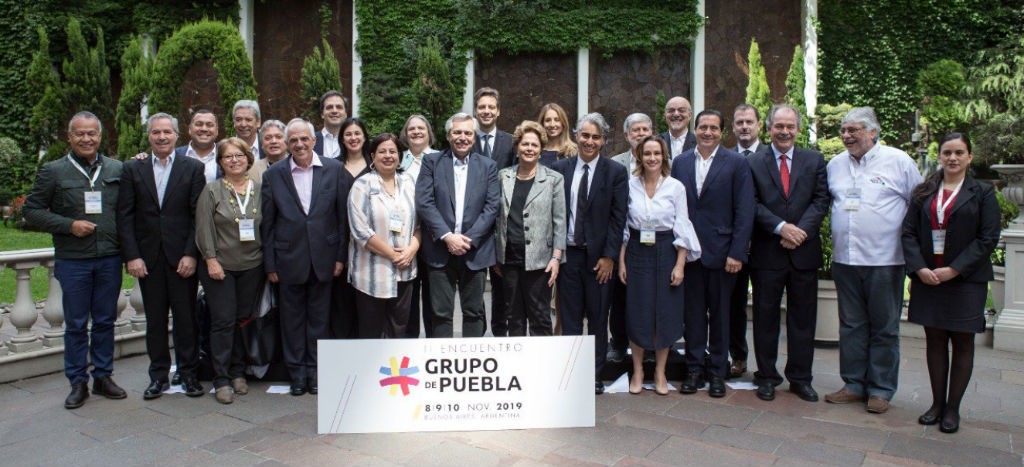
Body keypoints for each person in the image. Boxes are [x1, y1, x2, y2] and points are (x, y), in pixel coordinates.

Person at [24, 111, 127, 409]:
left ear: (100, 136)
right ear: (69, 137)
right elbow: (32, 211)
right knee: (76, 324)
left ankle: (103, 376)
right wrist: (69, 225)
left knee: (106, 320)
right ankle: (77, 381)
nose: (86, 139)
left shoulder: (116, 168)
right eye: (80, 133)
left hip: (109, 257)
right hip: (74, 260)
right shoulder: (53, 171)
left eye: (92, 133)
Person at [824, 106, 923, 413]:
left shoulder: (898, 161)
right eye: (843, 130)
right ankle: (854, 384)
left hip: (886, 260)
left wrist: (917, 258)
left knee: (884, 327)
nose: (846, 136)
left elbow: (918, 206)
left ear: (872, 132)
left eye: (853, 130)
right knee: (851, 325)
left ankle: (880, 389)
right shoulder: (835, 165)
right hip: (845, 259)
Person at [902, 133, 1000, 433]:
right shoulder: (924, 191)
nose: (953, 158)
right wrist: (919, 268)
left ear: (969, 157)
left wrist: (955, 269)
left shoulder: (982, 192)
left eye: (959, 153)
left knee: (962, 342)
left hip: (965, 281)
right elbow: (908, 232)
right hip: (928, 278)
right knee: (934, 341)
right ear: (940, 156)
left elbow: (987, 238)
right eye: (947, 153)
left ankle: (952, 409)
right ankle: (936, 404)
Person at [118, 112, 207, 400]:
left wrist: (191, 254)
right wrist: (132, 256)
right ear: (149, 136)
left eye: (167, 132)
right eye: (156, 132)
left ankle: (189, 374)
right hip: (149, 260)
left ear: (177, 136)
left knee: (186, 320)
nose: (162, 137)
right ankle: (158, 376)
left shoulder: (192, 168)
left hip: (182, 259)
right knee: (155, 322)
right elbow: (125, 216)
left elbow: (197, 216)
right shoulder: (133, 168)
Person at [261, 118, 351, 396]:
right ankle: (297, 374)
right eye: (293, 140)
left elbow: (342, 218)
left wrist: (340, 257)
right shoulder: (274, 174)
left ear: (314, 140)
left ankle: (315, 372)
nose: (299, 144)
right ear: (287, 144)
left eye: (304, 139)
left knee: (319, 320)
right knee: (291, 321)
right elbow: (268, 223)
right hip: (288, 259)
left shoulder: (334, 169)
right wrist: (270, 263)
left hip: (325, 258)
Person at [670, 109, 755, 398]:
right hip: (690, 254)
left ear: (722, 132)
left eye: (713, 128)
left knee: (721, 316)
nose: (707, 132)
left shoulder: (736, 163)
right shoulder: (681, 162)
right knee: (693, 316)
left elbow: (745, 210)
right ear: (695, 130)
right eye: (703, 127)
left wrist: (737, 253)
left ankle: (718, 371)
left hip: (723, 254)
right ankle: (694, 369)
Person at [748, 104, 829, 403]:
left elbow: (821, 200)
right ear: (769, 128)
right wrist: (781, 228)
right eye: (779, 126)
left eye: (790, 126)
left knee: (803, 320)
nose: (784, 132)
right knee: (765, 318)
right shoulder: (753, 162)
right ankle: (767, 376)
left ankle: (800, 378)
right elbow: (751, 203)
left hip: (803, 252)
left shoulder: (814, 160)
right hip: (768, 253)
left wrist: (800, 232)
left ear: (798, 129)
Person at [552, 113, 628, 394]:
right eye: (585, 135)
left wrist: (609, 256)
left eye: (596, 137)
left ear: (604, 140)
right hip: (569, 256)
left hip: (599, 260)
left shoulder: (615, 172)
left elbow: (618, 218)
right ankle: (572, 374)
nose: (589, 141)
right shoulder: (560, 169)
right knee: (570, 319)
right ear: (576, 135)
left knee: (598, 319)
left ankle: (594, 375)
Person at [618, 135, 700, 395]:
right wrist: (621, 262)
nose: (652, 158)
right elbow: (623, 226)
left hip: (666, 250)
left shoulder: (676, 187)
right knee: (637, 310)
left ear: (664, 156)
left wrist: (680, 265)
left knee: (666, 311)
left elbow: (682, 225)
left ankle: (660, 372)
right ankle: (638, 370)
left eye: (656, 153)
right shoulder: (629, 185)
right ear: (639, 157)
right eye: (647, 153)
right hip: (636, 251)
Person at [416, 112, 499, 338]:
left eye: (468, 133)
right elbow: (424, 202)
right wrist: (447, 236)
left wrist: (468, 240)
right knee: (440, 313)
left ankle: (472, 359)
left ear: (474, 137)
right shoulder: (431, 162)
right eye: (457, 132)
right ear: (448, 135)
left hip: (475, 251)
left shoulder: (488, 166)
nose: (462, 137)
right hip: (440, 250)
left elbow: (492, 207)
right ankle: (442, 358)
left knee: (474, 312)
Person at [195, 137, 265, 404]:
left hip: (252, 265)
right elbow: (203, 228)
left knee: (241, 319)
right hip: (220, 267)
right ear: (221, 162)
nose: (234, 161)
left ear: (248, 159)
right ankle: (221, 378)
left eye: (239, 155)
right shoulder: (212, 190)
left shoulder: (259, 189)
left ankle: (238, 372)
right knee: (223, 320)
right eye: (228, 157)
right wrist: (211, 259)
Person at [494, 121, 566, 336]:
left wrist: (556, 258)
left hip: (540, 261)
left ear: (541, 150)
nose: (529, 149)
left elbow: (560, 222)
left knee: (540, 317)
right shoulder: (503, 176)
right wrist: (496, 254)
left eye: (534, 145)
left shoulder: (554, 180)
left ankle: (542, 359)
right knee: (513, 317)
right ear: (516, 148)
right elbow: (496, 217)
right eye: (525, 144)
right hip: (509, 259)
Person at [348, 133, 421, 338]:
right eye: (382, 151)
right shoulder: (362, 185)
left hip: (404, 271)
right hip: (372, 275)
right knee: (371, 333)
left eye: (392, 151)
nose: (388, 156)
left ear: (399, 156)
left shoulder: (409, 182)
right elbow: (360, 230)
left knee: (399, 332)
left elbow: (420, 224)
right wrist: (394, 255)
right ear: (373, 156)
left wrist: (411, 250)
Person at [608, 112, 654, 364]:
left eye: (645, 129)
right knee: (619, 295)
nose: (641, 134)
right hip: (621, 238)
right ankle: (618, 343)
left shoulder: (662, 161)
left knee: (649, 297)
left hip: (652, 241)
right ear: (627, 135)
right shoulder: (615, 164)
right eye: (635, 130)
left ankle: (648, 345)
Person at [473, 87, 515, 336]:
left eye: (491, 107)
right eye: (482, 107)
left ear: (498, 111)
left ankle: (500, 336)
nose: (486, 111)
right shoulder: (466, 140)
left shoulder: (511, 142)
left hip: (503, 226)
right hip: (474, 226)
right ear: (475, 111)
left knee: (502, 288)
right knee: (474, 288)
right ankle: (477, 336)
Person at [728, 103, 762, 378]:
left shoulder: (770, 156)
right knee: (734, 306)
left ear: (759, 125)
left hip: (766, 245)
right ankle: (738, 356)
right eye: (740, 122)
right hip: (733, 247)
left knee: (764, 308)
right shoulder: (726, 158)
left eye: (749, 122)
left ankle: (766, 366)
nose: (744, 127)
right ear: (733, 127)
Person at [331, 117, 371, 338]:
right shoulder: (332, 167)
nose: (353, 138)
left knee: (367, 305)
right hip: (341, 242)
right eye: (348, 134)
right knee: (342, 304)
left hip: (371, 244)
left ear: (364, 137)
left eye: (357, 133)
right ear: (342, 139)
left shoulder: (375, 165)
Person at [398, 114, 437, 338]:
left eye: (421, 128)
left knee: (433, 297)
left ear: (428, 132)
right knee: (408, 296)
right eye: (411, 129)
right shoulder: (398, 159)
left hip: (433, 237)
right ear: (406, 133)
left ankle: (431, 342)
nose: (416, 132)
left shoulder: (440, 159)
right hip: (405, 236)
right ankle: (410, 343)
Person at [177, 109, 220, 183]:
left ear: (217, 131)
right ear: (190, 129)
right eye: (199, 124)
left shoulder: (226, 155)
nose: (204, 129)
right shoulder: (175, 155)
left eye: (209, 125)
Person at [537, 102, 578, 167]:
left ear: (563, 123)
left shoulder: (574, 152)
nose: (552, 125)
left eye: (557, 120)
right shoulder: (536, 150)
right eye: (548, 120)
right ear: (542, 124)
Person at [313, 90, 349, 159]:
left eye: (339, 107)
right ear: (322, 114)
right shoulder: (311, 140)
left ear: (346, 114)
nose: (334, 111)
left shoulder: (353, 142)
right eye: (329, 107)